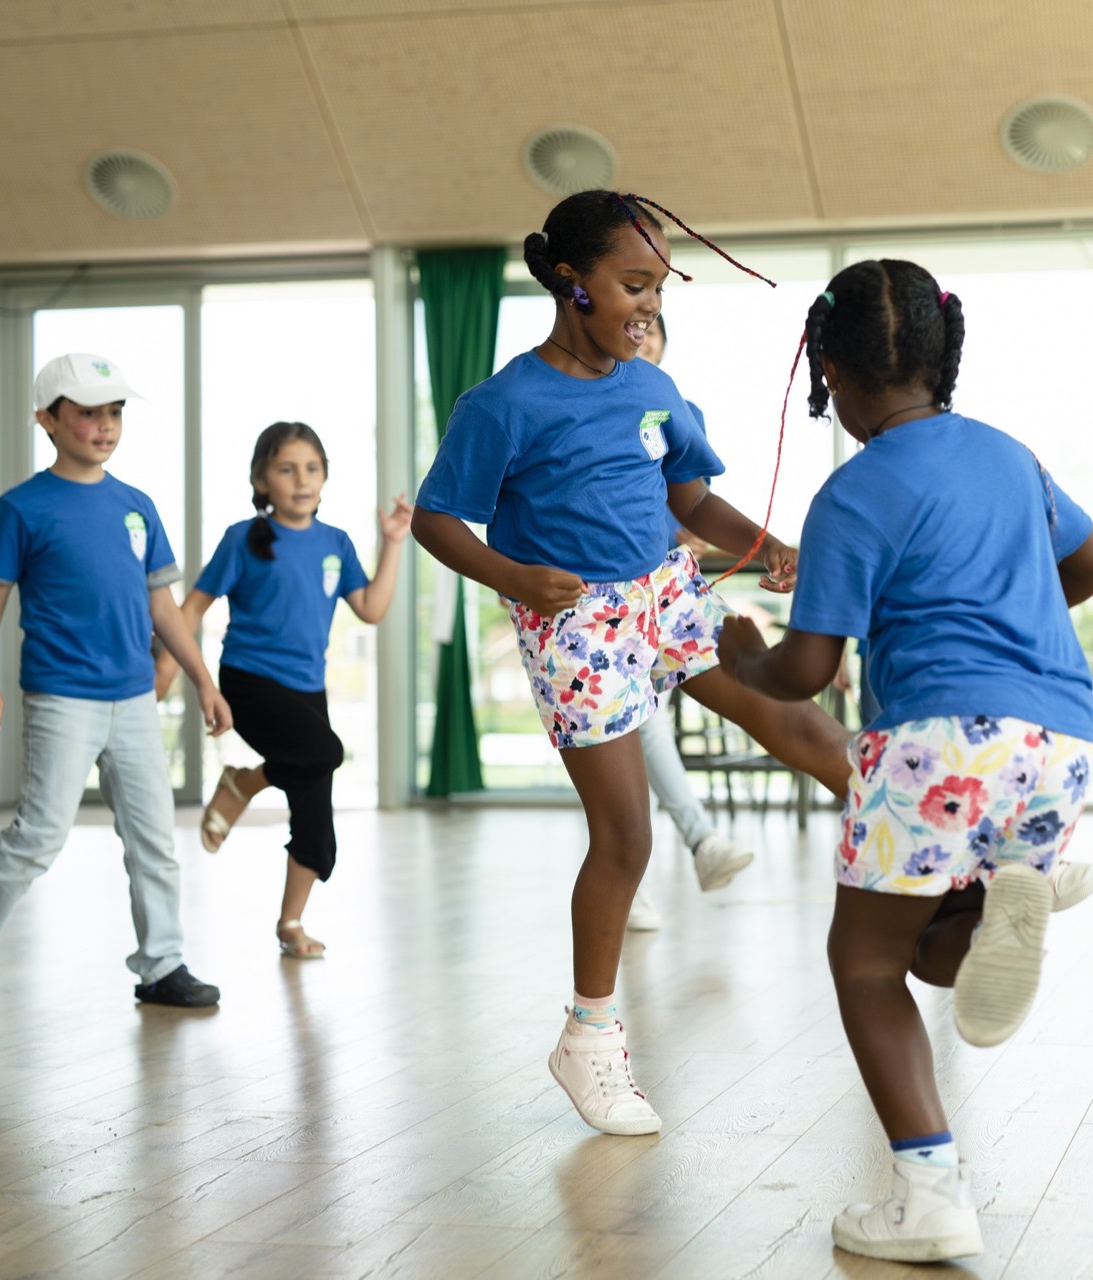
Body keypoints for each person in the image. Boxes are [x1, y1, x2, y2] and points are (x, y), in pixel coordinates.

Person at [410, 189, 852, 1138]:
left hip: (663, 590)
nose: (648, 306)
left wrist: (768, 543)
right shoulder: (503, 404)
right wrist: (512, 577)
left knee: (785, 712)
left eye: (657, 288)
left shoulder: (653, 388)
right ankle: (590, 1038)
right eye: (633, 284)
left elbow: (691, 498)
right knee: (626, 838)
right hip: (574, 624)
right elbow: (437, 520)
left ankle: (946, 840)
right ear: (572, 283)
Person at [717, 259, 1093, 1262]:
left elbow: (807, 671)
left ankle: (930, 1194)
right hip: (1059, 739)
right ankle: (1009, 902)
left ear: (832, 372)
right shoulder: (1011, 457)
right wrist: (1008, 614)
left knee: (862, 963)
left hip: (935, 746)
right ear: (944, 358)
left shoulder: (852, 493)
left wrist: (744, 656)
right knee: (932, 942)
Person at [0, 354, 231, 1016]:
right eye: (87, 412)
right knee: (40, 833)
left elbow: (164, 608)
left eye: (115, 412)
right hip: (61, 696)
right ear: (47, 420)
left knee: (154, 838)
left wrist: (203, 681)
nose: (105, 426)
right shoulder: (23, 507)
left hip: (134, 698)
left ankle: (163, 964)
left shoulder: (138, 507)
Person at [155, 421, 413, 958]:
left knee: (316, 825)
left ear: (325, 477)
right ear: (261, 479)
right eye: (287, 469)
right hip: (248, 682)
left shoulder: (336, 543)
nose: (302, 480)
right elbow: (192, 609)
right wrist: (173, 670)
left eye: (312, 469)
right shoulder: (242, 539)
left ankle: (290, 922)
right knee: (325, 752)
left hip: (308, 692)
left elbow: (371, 608)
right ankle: (245, 784)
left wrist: (393, 543)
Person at [626, 313, 755, 932]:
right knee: (636, 734)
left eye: (653, 328)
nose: (642, 335)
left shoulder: (678, 411)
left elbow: (691, 501)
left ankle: (660, 865)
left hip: (665, 595)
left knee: (640, 735)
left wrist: (690, 537)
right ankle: (693, 844)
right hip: (601, 606)